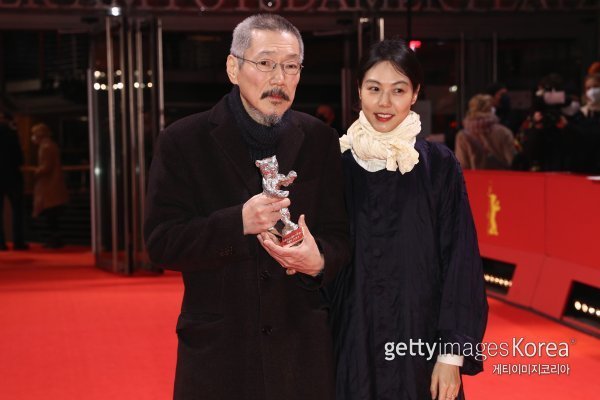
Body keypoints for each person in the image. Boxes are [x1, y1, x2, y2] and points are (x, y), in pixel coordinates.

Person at [143, 14, 350, 400]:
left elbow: (340, 235)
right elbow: (161, 242)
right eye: (266, 62)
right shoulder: (183, 141)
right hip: (220, 356)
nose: (279, 78)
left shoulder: (321, 140)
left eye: (291, 66)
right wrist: (236, 223)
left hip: (302, 353)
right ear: (233, 68)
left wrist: (319, 259)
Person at [329, 39, 488, 400]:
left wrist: (452, 354)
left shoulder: (439, 166)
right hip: (352, 346)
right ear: (358, 91)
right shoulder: (334, 165)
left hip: (421, 347)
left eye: (398, 90)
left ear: (415, 94)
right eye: (374, 89)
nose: (384, 103)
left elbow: (460, 260)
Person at [31, 123, 69, 248]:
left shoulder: (45, 147)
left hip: (49, 185)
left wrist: (35, 171)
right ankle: (56, 238)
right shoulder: (52, 145)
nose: (33, 137)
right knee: (53, 214)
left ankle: (54, 239)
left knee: (50, 214)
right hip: (54, 184)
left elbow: (46, 167)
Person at [454, 94, 515, 170]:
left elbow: (462, 166)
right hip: (502, 176)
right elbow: (512, 161)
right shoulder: (504, 132)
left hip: (476, 177)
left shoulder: (462, 136)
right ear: (491, 109)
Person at [0, 109, 28, 250]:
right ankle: (18, 241)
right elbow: (19, 157)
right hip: (12, 176)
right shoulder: (12, 133)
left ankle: (1, 243)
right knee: (17, 210)